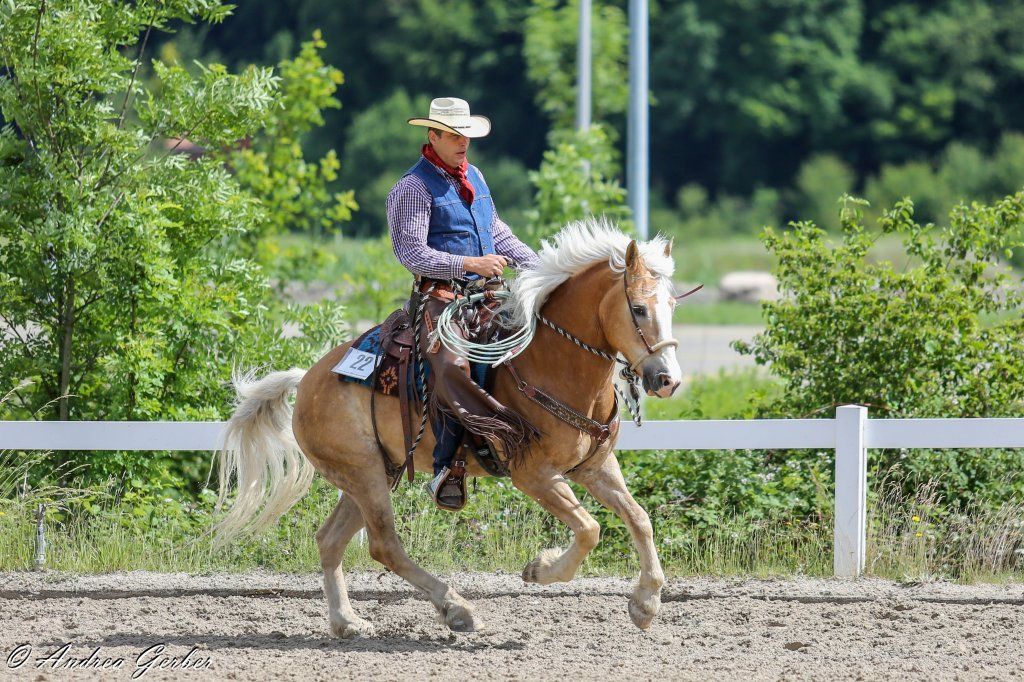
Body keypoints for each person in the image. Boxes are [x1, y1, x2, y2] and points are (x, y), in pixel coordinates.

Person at [386, 97, 539, 510]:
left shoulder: (476, 177)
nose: (462, 143)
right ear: (431, 136)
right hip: (440, 300)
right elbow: (411, 252)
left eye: (465, 135)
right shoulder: (413, 187)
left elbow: (499, 234)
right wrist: (469, 262)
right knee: (453, 366)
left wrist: (545, 269)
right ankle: (447, 465)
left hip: (487, 296)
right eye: (453, 135)